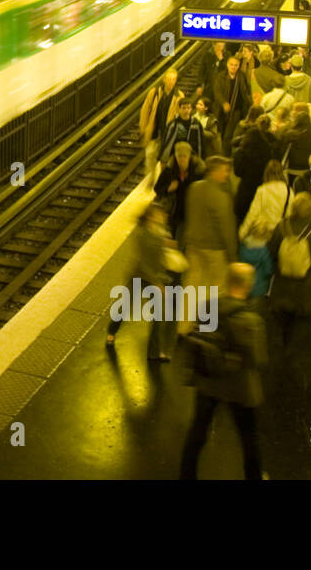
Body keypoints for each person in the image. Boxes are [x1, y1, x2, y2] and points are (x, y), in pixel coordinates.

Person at [179, 263, 268, 480]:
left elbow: (196, 338)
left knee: (198, 432)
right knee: (248, 437)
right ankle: (254, 476)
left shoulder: (208, 307)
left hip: (208, 382)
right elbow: (258, 359)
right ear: (248, 285)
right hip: (240, 390)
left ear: (228, 282)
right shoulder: (250, 320)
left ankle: (186, 475)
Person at [106, 203, 178, 361]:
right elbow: (143, 262)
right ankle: (111, 331)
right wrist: (157, 283)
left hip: (155, 278)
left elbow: (162, 252)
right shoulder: (141, 233)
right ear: (151, 216)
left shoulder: (162, 231)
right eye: (161, 214)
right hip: (139, 277)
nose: (164, 216)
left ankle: (154, 352)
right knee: (124, 307)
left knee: (159, 315)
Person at [268, 192, 311, 351]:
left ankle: (286, 343)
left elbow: (271, 250)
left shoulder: (282, 226)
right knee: (301, 323)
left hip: (283, 283)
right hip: (306, 287)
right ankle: (292, 355)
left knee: (284, 318)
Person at [181, 156, 237, 333]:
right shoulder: (221, 197)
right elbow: (227, 229)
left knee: (192, 285)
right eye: (225, 170)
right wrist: (233, 256)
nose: (227, 175)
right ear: (215, 171)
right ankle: (206, 328)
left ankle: (183, 326)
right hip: (215, 250)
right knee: (215, 288)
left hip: (194, 246)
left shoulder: (194, 188)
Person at [238, 161, 289, 299]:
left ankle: (253, 290)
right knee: (272, 265)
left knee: (259, 265)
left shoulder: (263, 190)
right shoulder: (290, 191)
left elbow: (252, 214)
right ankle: (270, 293)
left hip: (262, 233)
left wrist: (242, 232)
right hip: (279, 236)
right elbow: (289, 217)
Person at [155, 143, 205, 242]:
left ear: (189, 156)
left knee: (180, 240)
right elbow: (157, 188)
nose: (181, 159)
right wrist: (168, 189)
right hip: (172, 213)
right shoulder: (170, 169)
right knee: (170, 240)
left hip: (190, 214)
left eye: (184, 156)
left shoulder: (198, 171)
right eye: (179, 156)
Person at [140, 69, 184, 180]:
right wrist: (143, 128)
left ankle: (161, 185)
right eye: (169, 79)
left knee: (166, 161)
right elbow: (145, 110)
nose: (171, 82)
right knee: (150, 157)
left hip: (168, 135)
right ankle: (150, 182)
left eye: (174, 79)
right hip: (154, 132)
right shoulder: (154, 92)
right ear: (164, 80)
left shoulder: (179, 96)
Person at [233, 114, 277, 221]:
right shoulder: (271, 147)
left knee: (243, 217)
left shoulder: (244, 147)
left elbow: (237, 172)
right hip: (264, 186)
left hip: (246, 187)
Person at [279, 104, 311, 189]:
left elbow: (281, 151)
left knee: (291, 189)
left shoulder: (289, 134)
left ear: (296, 121)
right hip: (307, 170)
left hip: (291, 170)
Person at [213, 55, 252, 143]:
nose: (233, 67)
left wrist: (249, 104)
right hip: (222, 110)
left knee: (229, 134)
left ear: (238, 66)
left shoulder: (241, 76)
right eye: (231, 64)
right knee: (221, 131)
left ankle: (226, 151)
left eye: (236, 65)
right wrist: (223, 103)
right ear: (227, 65)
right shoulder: (220, 77)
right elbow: (217, 92)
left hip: (236, 109)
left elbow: (246, 92)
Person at [160, 98, 204, 164]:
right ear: (179, 109)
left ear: (191, 109)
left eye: (188, 108)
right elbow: (166, 140)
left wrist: (200, 158)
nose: (186, 110)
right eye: (183, 108)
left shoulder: (196, 124)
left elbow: (200, 142)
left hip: (191, 154)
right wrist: (163, 157)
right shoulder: (173, 124)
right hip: (175, 154)